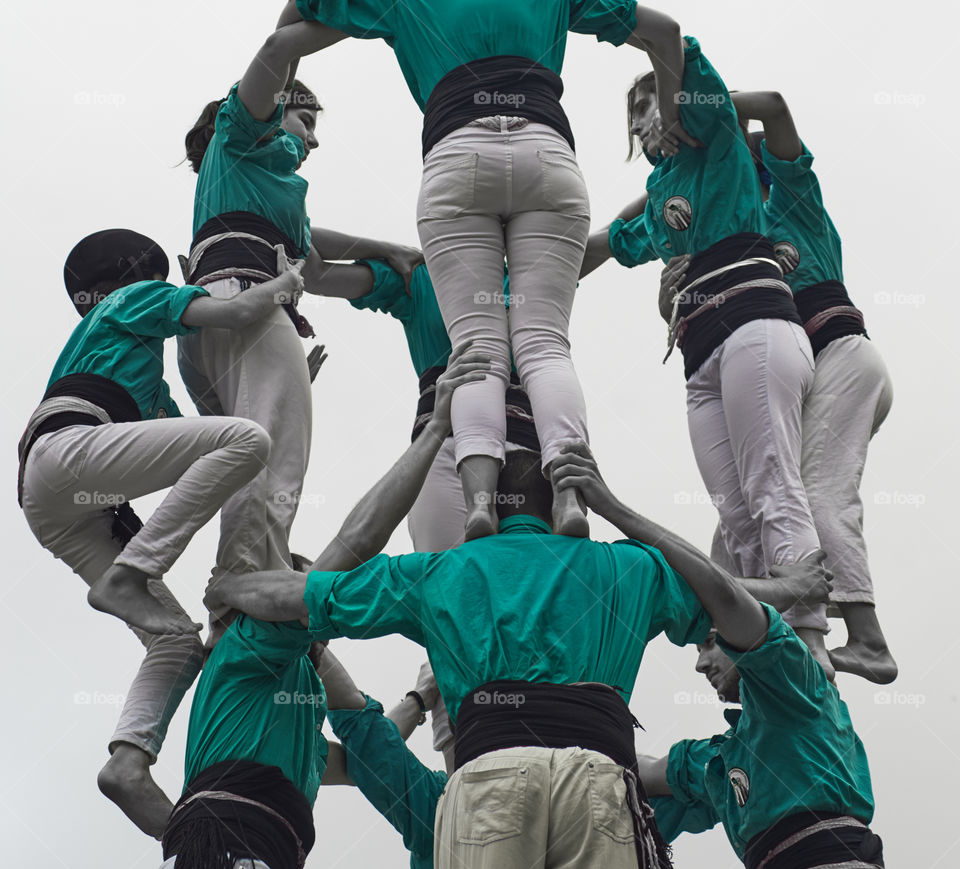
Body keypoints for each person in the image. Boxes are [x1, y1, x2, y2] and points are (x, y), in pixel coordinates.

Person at [289, 0, 697, 539]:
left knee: (475, 345)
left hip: (456, 153)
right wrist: (671, 115)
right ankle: (569, 495)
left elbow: (293, 23)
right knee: (546, 345)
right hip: (546, 150)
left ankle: (479, 502)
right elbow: (666, 31)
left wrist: (275, 104)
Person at [17, 228, 302, 837]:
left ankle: (128, 762)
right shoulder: (137, 297)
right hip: (72, 453)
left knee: (175, 642)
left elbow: (201, 446)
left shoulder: (126, 359)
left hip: (57, 501)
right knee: (249, 440)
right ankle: (132, 572)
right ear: (143, 273)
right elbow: (239, 310)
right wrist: (287, 284)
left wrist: (276, 387)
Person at [158, 348, 490, 866]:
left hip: (256, 841)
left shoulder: (288, 708)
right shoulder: (254, 645)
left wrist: (420, 700)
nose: (311, 596)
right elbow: (356, 542)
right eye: (299, 585)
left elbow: (366, 755)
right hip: (234, 839)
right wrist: (435, 430)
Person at [582, 38, 831, 675]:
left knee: (771, 483)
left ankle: (809, 636)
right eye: (632, 113)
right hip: (699, 359)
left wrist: (679, 104)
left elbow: (675, 44)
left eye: (650, 103)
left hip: (755, 325)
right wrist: (522, 279)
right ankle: (763, 643)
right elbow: (604, 245)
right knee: (736, 513)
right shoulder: (661, 194)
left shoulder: (715, 135)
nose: (644, 117)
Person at [177, 11, 421, 632]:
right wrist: (377, 16)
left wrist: (386, 249)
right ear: (276, 106)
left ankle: (248, 569)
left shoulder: (260, 190)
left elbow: (312, 261)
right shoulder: (241, 134)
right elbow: (280, 45)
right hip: (248, 304)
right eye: (306, 121)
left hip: (214, 317)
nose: (313, 140)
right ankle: (243, 577)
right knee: (276, 444)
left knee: (244, 447)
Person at [549, 443, 884, 868]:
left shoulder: (795, 683)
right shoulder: (719, 760)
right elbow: (639, 768)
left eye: (708, 642)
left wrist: (610, 507)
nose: (701, 662)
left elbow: (723, 595)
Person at [727, 91, 896, 684]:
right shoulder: (735, 238)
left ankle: (868, 640)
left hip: (845, 356)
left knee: (822, 494)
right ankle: (754, 637)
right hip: (822, 371)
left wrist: (703, 108)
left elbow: (772, 106)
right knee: (765, 503)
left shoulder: (794, 204)